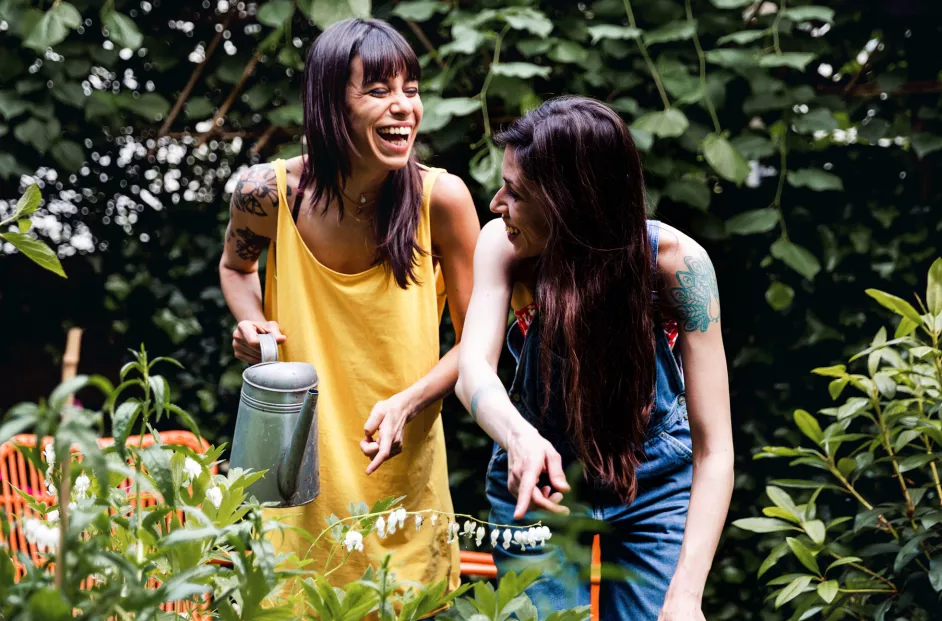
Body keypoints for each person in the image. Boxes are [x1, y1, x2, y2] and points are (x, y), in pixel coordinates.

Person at [218, 18, 479, 601]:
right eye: (379, 90)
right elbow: (236, 269)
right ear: (330, 101)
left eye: (411, 89)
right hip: (291, 493)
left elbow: (477, 346)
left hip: (401, 494)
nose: (403, 107)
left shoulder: (444, 200)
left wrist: (408, 402)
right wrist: (252, 320)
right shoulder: (267, 194)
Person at [456, 96, 734, 620]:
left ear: (566, 202)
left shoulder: (679, 266)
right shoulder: (503, 245)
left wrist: (686, 596)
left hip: (654, 476)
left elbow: (714, 448)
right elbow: (472, 370)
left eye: (514, 193)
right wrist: (519, 436)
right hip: (540, 481)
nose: (495, 204)